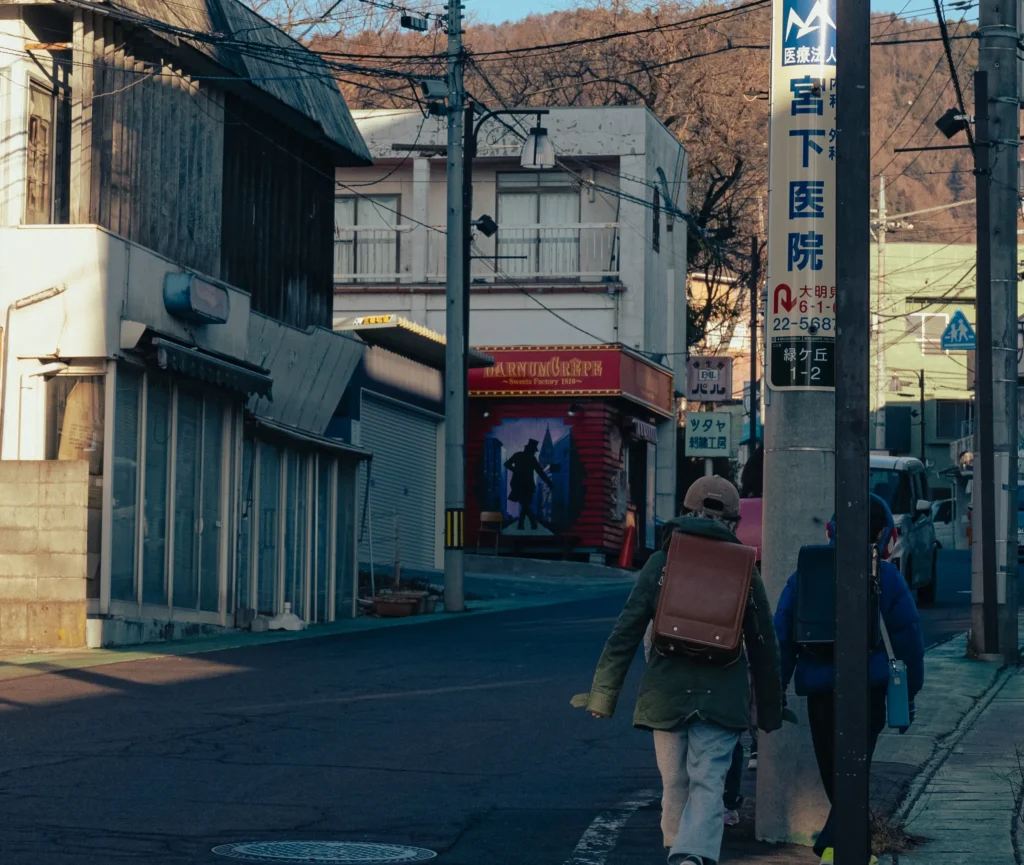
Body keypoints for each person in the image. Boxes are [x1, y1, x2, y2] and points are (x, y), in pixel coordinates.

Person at [574, 476, 784, 865]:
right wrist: (769, 708)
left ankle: (677, 849)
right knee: (709, 781)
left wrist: (603, 695)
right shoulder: (745, 567)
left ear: (685, 513)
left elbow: (626, 631)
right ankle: (693, 855)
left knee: (675, 782)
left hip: (665, 694)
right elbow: (765, 644)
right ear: (734, 522)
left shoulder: (661, 561)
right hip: (723, 693)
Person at [773, 494, 925, 865]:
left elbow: (782, 635)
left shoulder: (805, 573)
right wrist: (910, 692)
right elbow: (908, 638)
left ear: (832, 529)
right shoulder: (886, 575)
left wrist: (774, 686)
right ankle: (841, 849)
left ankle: (839, 847)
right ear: (883, 534)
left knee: (833, 769)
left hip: (820, 690)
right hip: (868, 690)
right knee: (855, 768)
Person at [505, 439, 552, 531]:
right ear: (531, 450)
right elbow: (540, 473)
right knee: (525, 504)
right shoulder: (531, 459)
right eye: (534, 451)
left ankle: (522, 524)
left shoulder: (517, 455)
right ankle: (531, 522)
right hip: (527, 485)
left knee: (524, 505)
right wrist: (549, 483)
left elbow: (507, 464)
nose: (534, 453)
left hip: (517, 484)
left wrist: (516, 471)